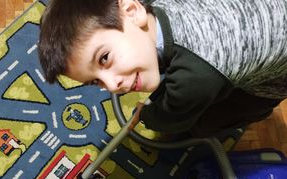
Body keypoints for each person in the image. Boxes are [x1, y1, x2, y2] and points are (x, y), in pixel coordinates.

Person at [38, 0, 287, 137]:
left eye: (104, 59)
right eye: (96, 82)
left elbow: (170, 120)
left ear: (133, 10)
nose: (112, 86)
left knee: (210, 121)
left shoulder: (195, 79)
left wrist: (147, 116)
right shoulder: (142, 7)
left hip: (273, 78)